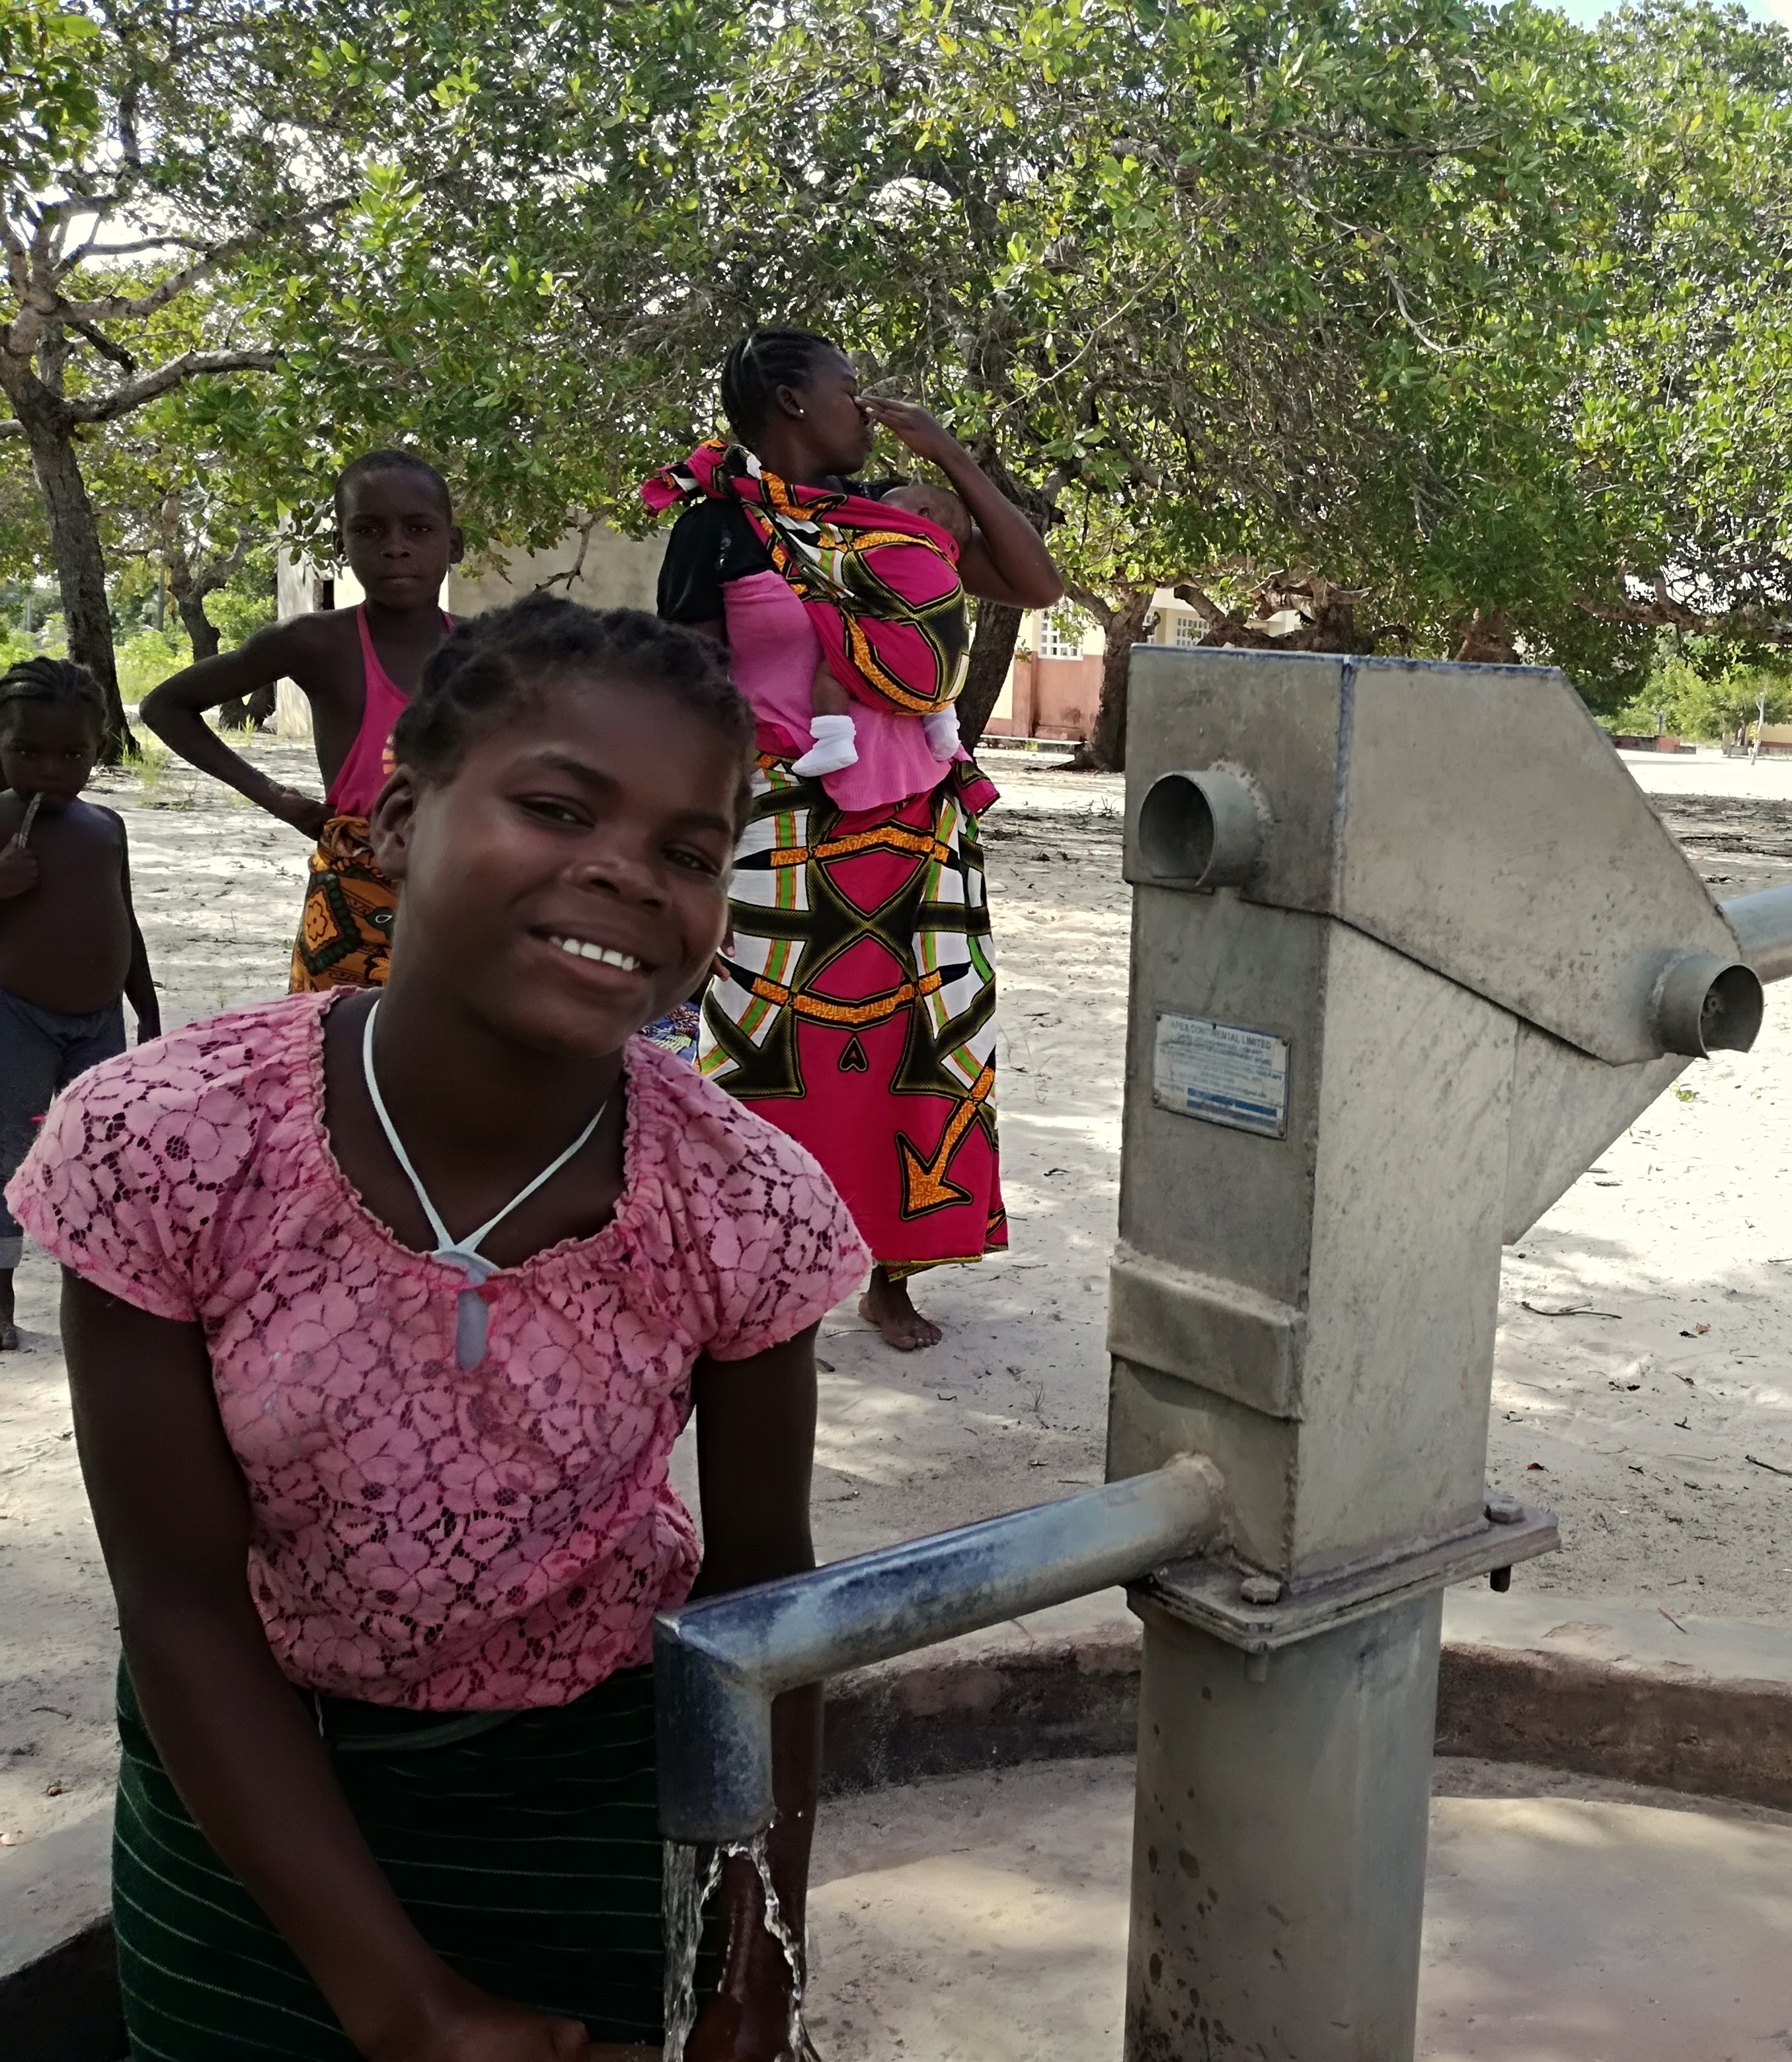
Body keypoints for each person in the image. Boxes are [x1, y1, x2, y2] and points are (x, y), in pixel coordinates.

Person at [13, 595, 867, 2058]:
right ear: (400, 821)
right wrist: (397, 2002)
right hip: (247, 1798)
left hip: (584, 1807)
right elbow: (182, 1600)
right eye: (555, 806)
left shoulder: (745, 1204)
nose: (627, 874)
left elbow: (758, 1606)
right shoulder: (169, 1141)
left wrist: (752, 1960)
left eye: (691, 852)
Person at [647, 328, 1066, 1354]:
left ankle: (894, 1270)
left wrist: (952, 458)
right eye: (845, 387)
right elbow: (685, 681)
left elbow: (1034, 585)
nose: (862, 404)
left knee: (921, 1046)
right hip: (785, 829)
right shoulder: (719, 530)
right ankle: (752, 1271)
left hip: (921, 832)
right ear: (791, 401)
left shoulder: (887, 520)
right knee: (763, 1053)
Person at [141, 450, 463, 991]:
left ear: (453, 545)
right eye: (368, 530)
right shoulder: (316, 643)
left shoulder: (489, 651)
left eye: (419, 528)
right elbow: (164, 706)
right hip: (349, 906)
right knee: (328, 1055)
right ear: (341, 546)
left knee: (464, 1059)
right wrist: (276, 797)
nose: (395, 546)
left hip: (464, 894)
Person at [0, 657, 157, 1350]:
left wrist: (146, 1007)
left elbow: (125, 919)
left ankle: (103, 1288)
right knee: (8, 1153)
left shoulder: (106, 826)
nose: (50, 771)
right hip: (16, 1019)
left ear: (98, 750)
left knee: (101, 1151)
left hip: (99, 1023)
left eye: (73, 754)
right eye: (27, 752)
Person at [791, 481, 980, 779]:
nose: (874, 518)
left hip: (896, 677)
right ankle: (943, 726)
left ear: (923, 515)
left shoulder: (895, 546)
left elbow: (840, 567)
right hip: (947, 683)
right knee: (938, 645)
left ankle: (833, 740)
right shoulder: (946, 564)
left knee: (832, 668)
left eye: (885, 509)